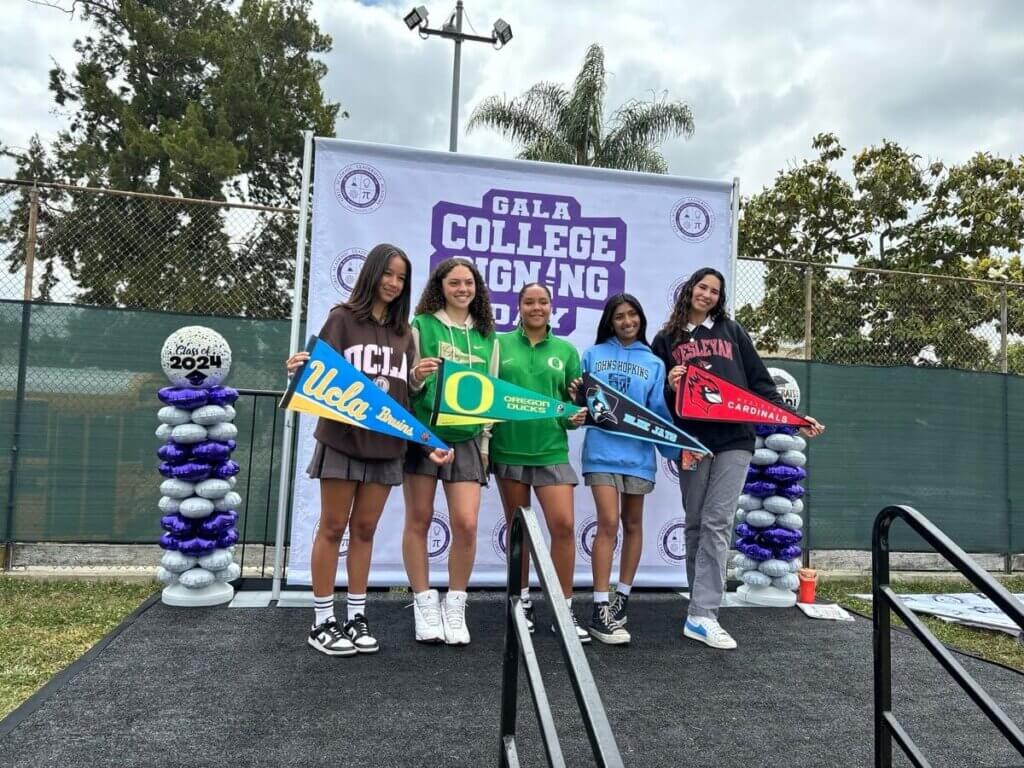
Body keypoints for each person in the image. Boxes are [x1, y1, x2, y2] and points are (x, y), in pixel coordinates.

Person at [285, 243, 451, 657]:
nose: (394, 284)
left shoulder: (403, 333)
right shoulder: (342, 319)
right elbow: (315, 374)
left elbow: (404, 399)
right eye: (388, 274)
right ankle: (323, 620)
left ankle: (357, 615)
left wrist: (424, 433)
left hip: (386, 446)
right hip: (342, 440)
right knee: (332, 527)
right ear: (373, 274)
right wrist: (296, 369)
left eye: (401, 278)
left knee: (365, 531)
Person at [651, 267, 825, 650]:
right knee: (696, 523)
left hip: (735, 440)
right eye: (703, 287)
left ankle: (704, 613)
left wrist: (794, 420)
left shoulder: (732, 332)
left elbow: (761, 383)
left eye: (715, 290)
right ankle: (698, 607)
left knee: (717, 521)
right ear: (689, 289)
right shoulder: (666, 340)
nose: (708, 294)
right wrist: (670, 383)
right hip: (692, 441)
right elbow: (656, 400)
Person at [403, 257, 499, 645]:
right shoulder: (421, 326)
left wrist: (486, 441)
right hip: (425, 435)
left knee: (466, 523)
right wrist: (416, 378)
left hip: (467, 438)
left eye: (469, 283)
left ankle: (455, 604)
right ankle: (424, 603)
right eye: (454, 283)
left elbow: (491, 393)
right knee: (419, 518)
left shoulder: (487, 336)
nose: (462, 289)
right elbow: (406, 386)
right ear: (440, 286)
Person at [577, 293, 679, 645]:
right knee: (607, 523)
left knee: (632, 524)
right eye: (619, 316)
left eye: (632, 315)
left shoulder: (652, 362)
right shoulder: (592, 355)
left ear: (640, 319)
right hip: (601, 453)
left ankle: (622, 596)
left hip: (638, 457)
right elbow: (581, 402)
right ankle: (599, 606)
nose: (626, 322)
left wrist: (676, 451)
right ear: (610, 320)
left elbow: (657, 413)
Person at [490, 283, 590, 642]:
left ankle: (563, 609)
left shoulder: (566, 351)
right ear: (518, 306)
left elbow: (568, 407)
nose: (536, 307)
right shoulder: (499, 344)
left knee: (562, 526)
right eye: (529, 301)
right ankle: (522, 605)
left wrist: (575, 416)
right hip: (510, 450)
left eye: (542, 302)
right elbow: (489, 397)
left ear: (551, 307)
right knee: (520, 534)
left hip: (550, 451)